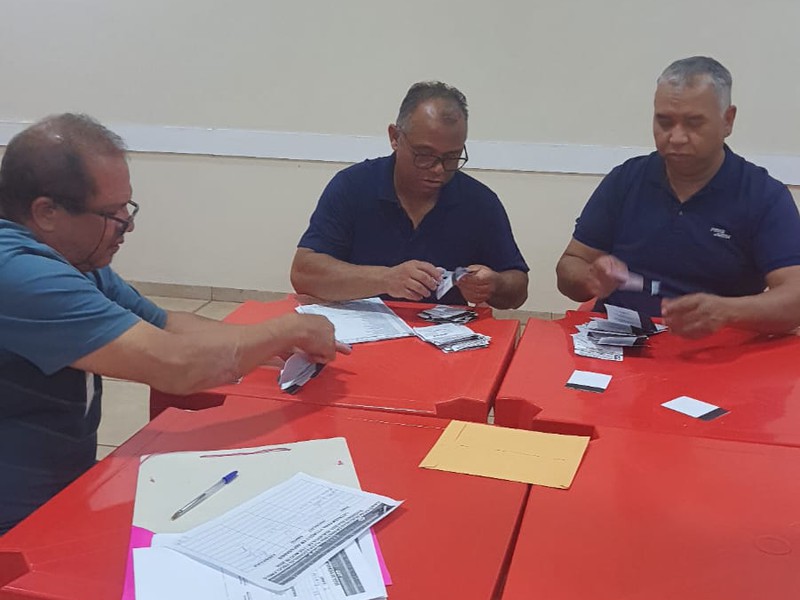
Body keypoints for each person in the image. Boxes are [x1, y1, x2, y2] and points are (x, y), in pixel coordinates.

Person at [0, 114, 346, 534]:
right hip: (18, 519)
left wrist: (274, 342)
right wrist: (287, 330)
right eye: (112, 212)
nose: (128, 224)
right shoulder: (18, 273)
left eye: (127, 207)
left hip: (63, 489)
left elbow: (164, 324)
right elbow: (174, 364)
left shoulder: (73, 260)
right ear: (47, 212)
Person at [556, 56, 800, 338]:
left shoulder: (763, 195)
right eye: (664, 122)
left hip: (719, 345)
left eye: (694, 123)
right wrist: (590, 278)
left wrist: (727, 312)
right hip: (622, 338)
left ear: (728, 120)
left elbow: (795, 296)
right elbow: (570, 265)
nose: (677, 137)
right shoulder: (626, 179)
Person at [290, 81, 529, 309]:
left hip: (444, 330)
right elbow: (303, 273)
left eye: (452, 157)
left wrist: (494, 284)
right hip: (360, 326)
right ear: (395, 137)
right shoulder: (353, 186)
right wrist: (385, 279)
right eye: (424, 154)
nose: (438, 169)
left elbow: (518, 289)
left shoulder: (479, 202)